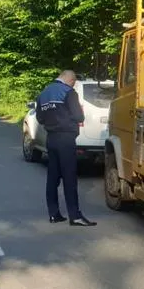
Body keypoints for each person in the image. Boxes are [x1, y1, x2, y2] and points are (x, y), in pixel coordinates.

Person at [35, 70, 96, 226]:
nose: (73, 85)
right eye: (73, 83)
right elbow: (79, 116)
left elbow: (40, 118)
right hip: (66, 139)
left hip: (51, 139)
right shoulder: (68, 92)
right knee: (69, 177)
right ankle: (75, 216)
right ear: (71, 80)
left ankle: (54, 214)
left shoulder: (44, 93)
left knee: (52, 178)